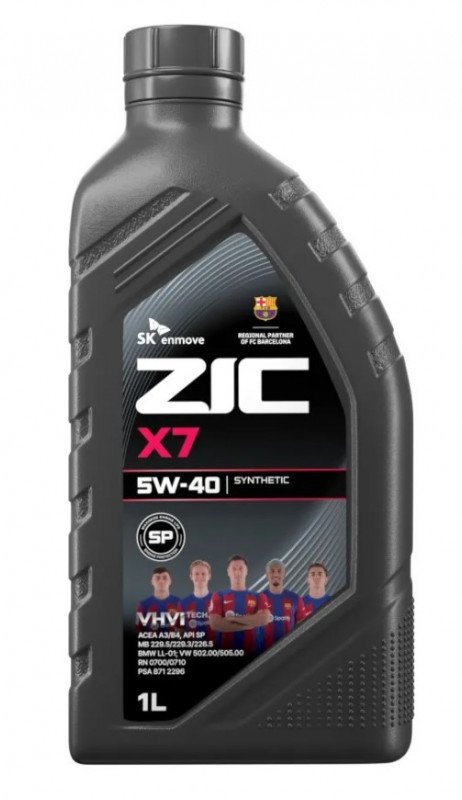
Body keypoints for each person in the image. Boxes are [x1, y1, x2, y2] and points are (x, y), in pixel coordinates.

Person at [208, 554, 271, 654]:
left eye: (241, 568)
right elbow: (215, 624)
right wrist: (249, 624)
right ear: (228, 572)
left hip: (253, 656)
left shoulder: (259, 597)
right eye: (234, 569)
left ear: (246, 571)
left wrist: (232, 619)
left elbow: (264, 619)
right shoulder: (219, 596)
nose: (237, 573)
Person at [261, 559, 308, 649]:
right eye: (272, 571)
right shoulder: (259, 599)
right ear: (267, 575)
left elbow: (302, 628)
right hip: (264, 653)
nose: (275, 574)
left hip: (288, 651)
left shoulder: (295, 599)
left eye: (279, 571)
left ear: (284, 574)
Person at [136, 567, 181, 632]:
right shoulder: (142, 605)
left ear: (170, 581)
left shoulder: (180, 604)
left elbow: (184, 631)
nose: (161, 581)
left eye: (165, 578)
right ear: (152, 582)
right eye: (157, 578)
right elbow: (139, 632)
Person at [180, 560, 213, 638]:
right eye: (197, 574)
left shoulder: (218, 601)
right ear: (191, 576)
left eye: (203, 574)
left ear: (209, 576)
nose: (200, 577)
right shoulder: (183, 604)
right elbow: (180, 630)